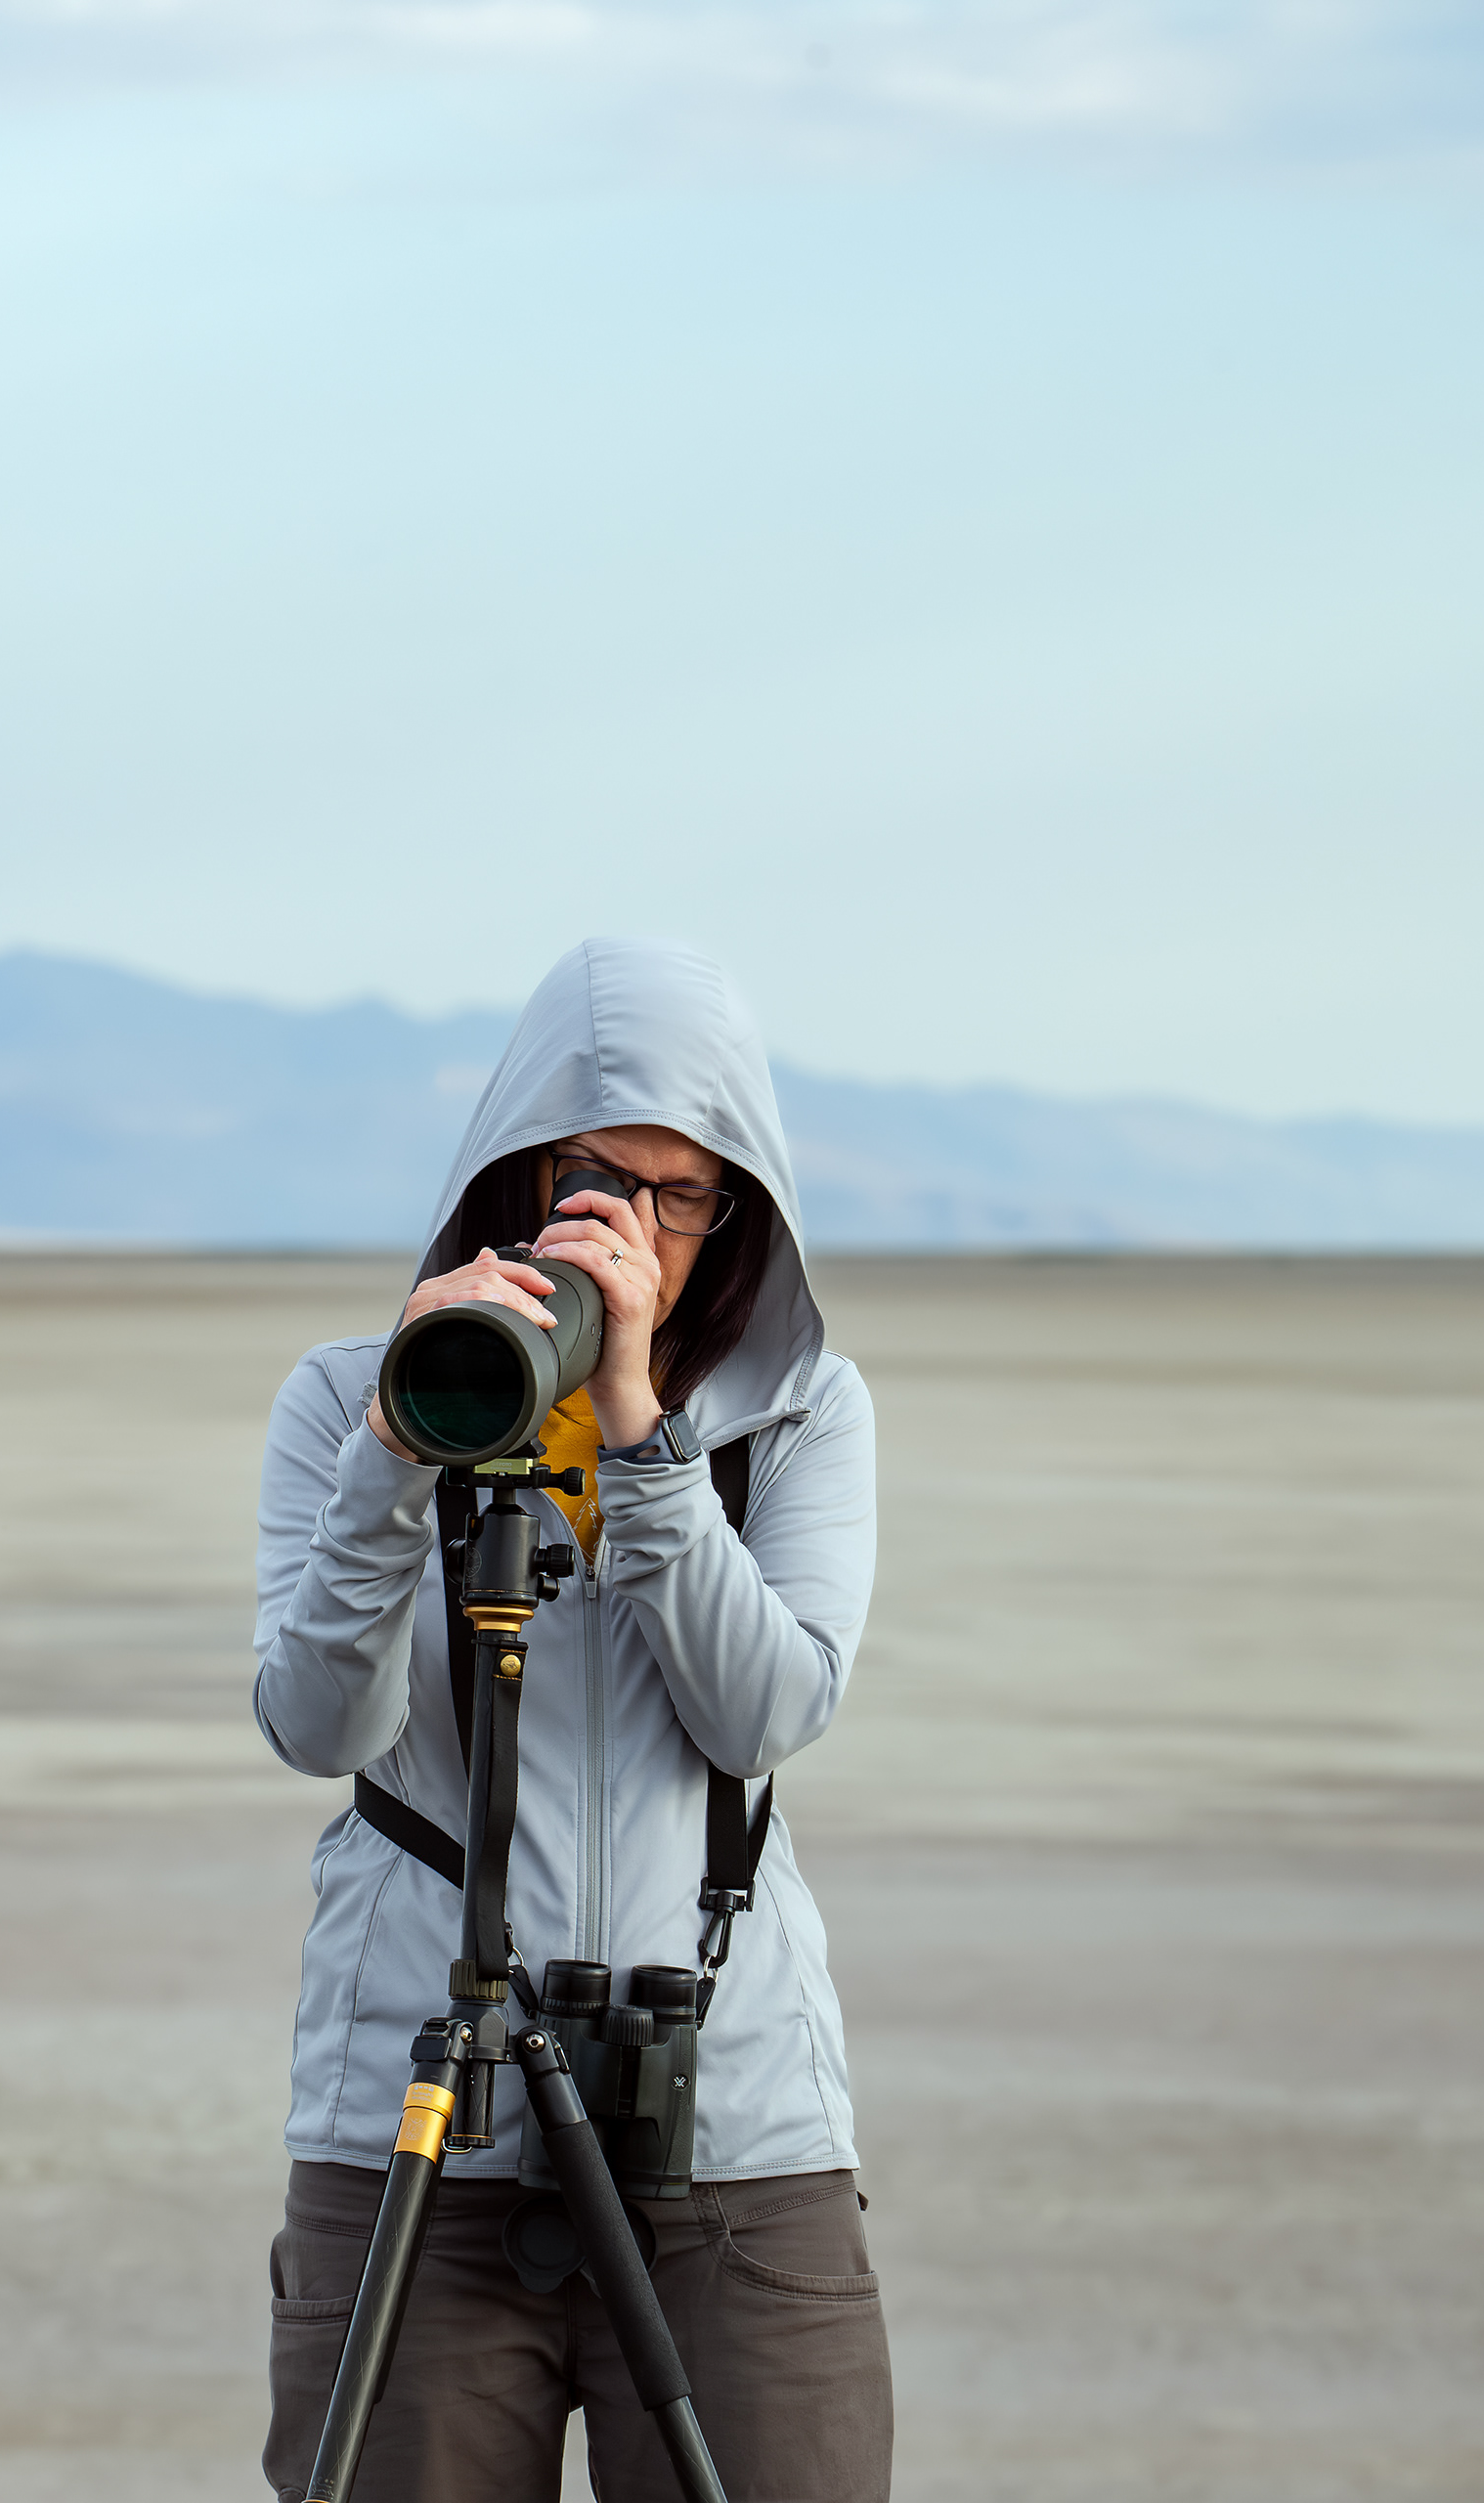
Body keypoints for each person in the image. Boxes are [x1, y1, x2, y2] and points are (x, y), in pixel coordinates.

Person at [250, 937, 889, 2501]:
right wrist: (403, 1450)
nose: (642, 1226)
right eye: (602, 1179)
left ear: (740, 1205)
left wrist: (642, 1438)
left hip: (723, 2131)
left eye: (686, 1193)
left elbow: (767, 1711)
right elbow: (319, 1727)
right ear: (518, 1174)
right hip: (420, 2124)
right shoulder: (353, 1399)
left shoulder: (799, 1416)